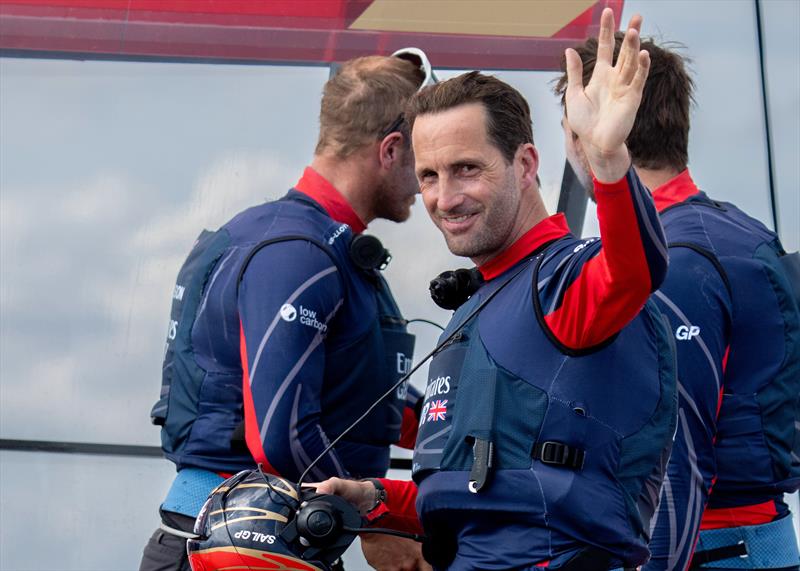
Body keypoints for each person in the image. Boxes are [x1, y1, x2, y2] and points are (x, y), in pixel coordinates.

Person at [317, 9, 678, 570]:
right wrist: (375, 498)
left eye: (467, 169)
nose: (445, 198)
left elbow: (632, 273)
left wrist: (609, 161)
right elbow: (475, 496)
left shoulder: (564, 283)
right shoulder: (481, 299)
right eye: (429, 176)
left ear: (526, 164)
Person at [139, 51, 436, 571]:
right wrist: (373, 520)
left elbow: (374, 403)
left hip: (261, 543)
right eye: (425, 160)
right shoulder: (298, 254)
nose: (427, 181)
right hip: (234, 547)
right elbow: (280, 436)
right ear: (391, 150)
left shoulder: (303, 244)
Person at [554, 33, 800, 571]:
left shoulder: (670, 262)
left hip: (707, 548)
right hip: (754, 543)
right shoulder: (740, 233)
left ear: (583, 132)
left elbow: (674, 460)